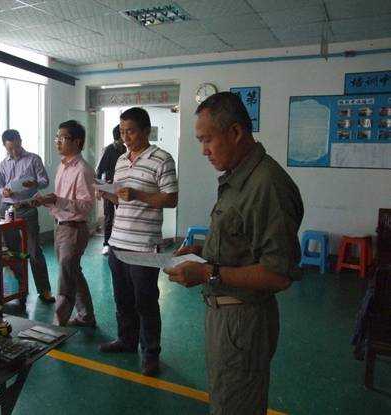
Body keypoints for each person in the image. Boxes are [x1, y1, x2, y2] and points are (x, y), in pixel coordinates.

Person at [164, 92, 304, 414]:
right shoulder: (241, 177)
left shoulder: (266, 185)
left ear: (236, 132)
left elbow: (278, 275)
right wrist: (203, 252)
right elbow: (242, 242)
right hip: (226, 315)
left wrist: (208, 272)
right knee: (226, 400)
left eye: (207, 140)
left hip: (243, 320)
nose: (204, 150)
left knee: (234, 406)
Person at [97, 107, 178, 376]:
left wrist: (139, 195)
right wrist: (107, 194)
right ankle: (126, 340)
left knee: (146, 301)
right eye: (122, 132)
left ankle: (151, 353)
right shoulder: (121, 160)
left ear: (146, 131)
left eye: (130, 131)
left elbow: (171, 198)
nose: (126, 137)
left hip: (144, 245)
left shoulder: (162, 159)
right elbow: (122, 199)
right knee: (122, 298)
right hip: (118, 240)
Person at [31, 120, 97, 327]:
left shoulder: (83, 170)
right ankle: (86, 316)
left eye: (63, 138)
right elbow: (61, 200)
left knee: (65, 278)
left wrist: (57, 200)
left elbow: (86, 206)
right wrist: (47, 201)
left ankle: (58, 324)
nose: (58, 141)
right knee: (73, 273)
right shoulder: (62, 166)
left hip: (74, 229)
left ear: (77, 142)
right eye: (56, 137)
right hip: (61, 226)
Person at [0, 129, 54, 308]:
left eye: (17, 147)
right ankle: (20, 289)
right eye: (10, 149)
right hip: (8, 209)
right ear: (4, 146)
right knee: (13, 252)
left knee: (34, 250)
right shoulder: (2, 164)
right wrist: (3, 191)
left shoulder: (33, 159)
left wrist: (35, 183)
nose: (14, 151)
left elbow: (45, 181)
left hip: (28, 208)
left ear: (21, 141)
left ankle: (44, 290)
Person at [96, 125, 126, 255]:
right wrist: (99, 188)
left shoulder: (124, 149)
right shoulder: (108, 150)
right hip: (109, 188)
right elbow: (99, 170)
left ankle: (120, 242)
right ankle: (106, 244)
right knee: (109, 216)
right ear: (119, 135)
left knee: (123, 215)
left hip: (122, 186)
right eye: (123, 133)